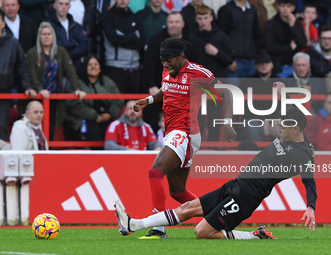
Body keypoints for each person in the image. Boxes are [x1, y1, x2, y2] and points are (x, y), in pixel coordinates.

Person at [115, 107, 317, 239]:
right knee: (187, 207)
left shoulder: (303, 153)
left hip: (247, 196)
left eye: (283, 125)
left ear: (296, 129)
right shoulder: (289, 135)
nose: (278, 127)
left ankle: (256, 236)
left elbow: (309, 181)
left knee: (201, 232)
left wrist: (310, 206)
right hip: (236, 184)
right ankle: (132, 224)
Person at [132, 38, 236, 239]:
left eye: (169, 60)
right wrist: (149, 100)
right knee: (178, 192)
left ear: (181, 57)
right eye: (162, 61)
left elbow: (227, 92)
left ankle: (158, 228)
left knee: (155, 172)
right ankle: (221, 219)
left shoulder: (199, 73)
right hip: (172, 133)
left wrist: (228, 121)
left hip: (185, 133)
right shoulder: (169, 70)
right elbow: (167, 89)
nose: (165, 64)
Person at [26, 21, 86, 141]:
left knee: (50, 130)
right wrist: (40, 90)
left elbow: (70, 71)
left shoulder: (61, 52)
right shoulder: (32, 53)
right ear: (39, 37)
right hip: (36, 98)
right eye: (44, 34)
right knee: (34, 131)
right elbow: (31, 75)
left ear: (53, 36)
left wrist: (77, 88)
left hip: (53, 98)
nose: (47, 36)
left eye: (49, 34)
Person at [187, 4, 234, 141]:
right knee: (198, 118)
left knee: (215, 116)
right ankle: (198, 147)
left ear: (211, 18)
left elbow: (231, 61)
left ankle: (213, 145)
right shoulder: (191, 37)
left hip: (216, 82)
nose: (203, 21)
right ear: (195, 19)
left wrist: (216, 53)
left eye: (205, 18)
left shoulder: (221, 36)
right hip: (197, 84)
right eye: (200, 18)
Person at [64, 55, 124, 143]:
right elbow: (73, 105)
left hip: (106, 117)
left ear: (100, 68)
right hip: (85, 118)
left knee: (111, 131)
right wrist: (95, 116)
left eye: (96, 64)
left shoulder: (107, 81)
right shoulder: (77, 83)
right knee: (93, 131)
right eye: (90, 64)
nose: (93, 66)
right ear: (85, 67)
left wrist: (110, 114)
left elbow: (119, 100)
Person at [0, 9, 36, 142]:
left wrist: (27, 86)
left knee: (1, 127)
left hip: (4, 91)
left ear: (3, 24)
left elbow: (23, 67)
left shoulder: (12, 43)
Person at [102, 0, 145, 94]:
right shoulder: (108, 17)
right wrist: (132, 37)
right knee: (117, 105)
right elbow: (114, 39)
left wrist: (122, 41)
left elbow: (142, 42)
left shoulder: (136, 18)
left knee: (133, 105)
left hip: (135, 69)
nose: (122, 0)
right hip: (114, 68)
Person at [240, 52, 280, 141]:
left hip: (276, 119)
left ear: (272, 65)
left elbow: (286, 104)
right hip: (254, 118)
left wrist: (275, 120)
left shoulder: (280, 81)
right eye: (260, 63)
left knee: (286, 129)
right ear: (255, 66)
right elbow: (244, 106)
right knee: (252, 129)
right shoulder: (248, 82)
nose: (263, 65)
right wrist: (263, 119)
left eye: (267, 62)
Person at [218, 0, 261, 83]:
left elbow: (256, 34)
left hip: (251, 60)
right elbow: (222, 37)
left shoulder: (252, 9)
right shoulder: (226, 9)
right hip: (234, 61)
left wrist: (256, 56)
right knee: (234, 94)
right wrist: (228, 60)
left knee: (251, 94)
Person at [45, 0, 89, 76]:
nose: (64, 7)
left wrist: (68, 55)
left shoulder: (76, 26)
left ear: (69, 7)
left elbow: (84, 46)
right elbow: (52, 45)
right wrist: (73, 43)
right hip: (54, 71)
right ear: (55, 6)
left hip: (75, 70)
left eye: (66, 4)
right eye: (61, 4)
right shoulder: (48, 25)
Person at [264, 0, 307, 77]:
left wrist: (292, 27)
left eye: (288, 6)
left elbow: (302, 44)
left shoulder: (297, 23)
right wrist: (289, 48)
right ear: (278, 7)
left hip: (294, 66)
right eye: (283, 6)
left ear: (293, 8)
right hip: (278, 66)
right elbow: (269, 46)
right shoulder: (271, 24)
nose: (285, 9)